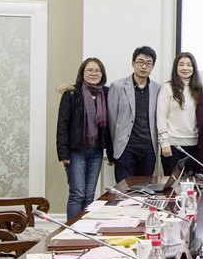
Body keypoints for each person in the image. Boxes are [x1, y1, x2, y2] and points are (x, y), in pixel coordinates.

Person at [56, 57, 112, 219]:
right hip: (75, 152)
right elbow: (62, 125)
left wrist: (111, 153)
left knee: (89, 194)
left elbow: (110, 126)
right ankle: (71, 230)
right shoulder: (72, 94)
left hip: (96, 151)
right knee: (77, 193)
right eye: (90, 70)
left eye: (97, 70)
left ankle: (86, 228)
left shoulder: (105, 93)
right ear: (82, 73)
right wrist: (63, 153)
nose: (94, 74)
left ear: (102, 74)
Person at [108, 46, 161, 183]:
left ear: (152, 66)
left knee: (145, 189)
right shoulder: (118, 86)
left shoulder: (158, 88)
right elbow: (111, 121)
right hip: (125, 148)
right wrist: (112, 150)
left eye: (148, 63)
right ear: (133, 63)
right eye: (140, 62)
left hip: (148, 148)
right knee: (124, 189)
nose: (144, 66)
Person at [156, 52, 202, 175]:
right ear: (176, 67)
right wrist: (164, 142)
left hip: (193, 145)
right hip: (172, 145)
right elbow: (161, 117)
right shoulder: (167, 88)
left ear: (193, 68)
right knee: (173, 184)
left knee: (191, 183)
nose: (185, 68)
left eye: (189, 65)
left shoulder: (198, 89)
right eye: (181, 64)